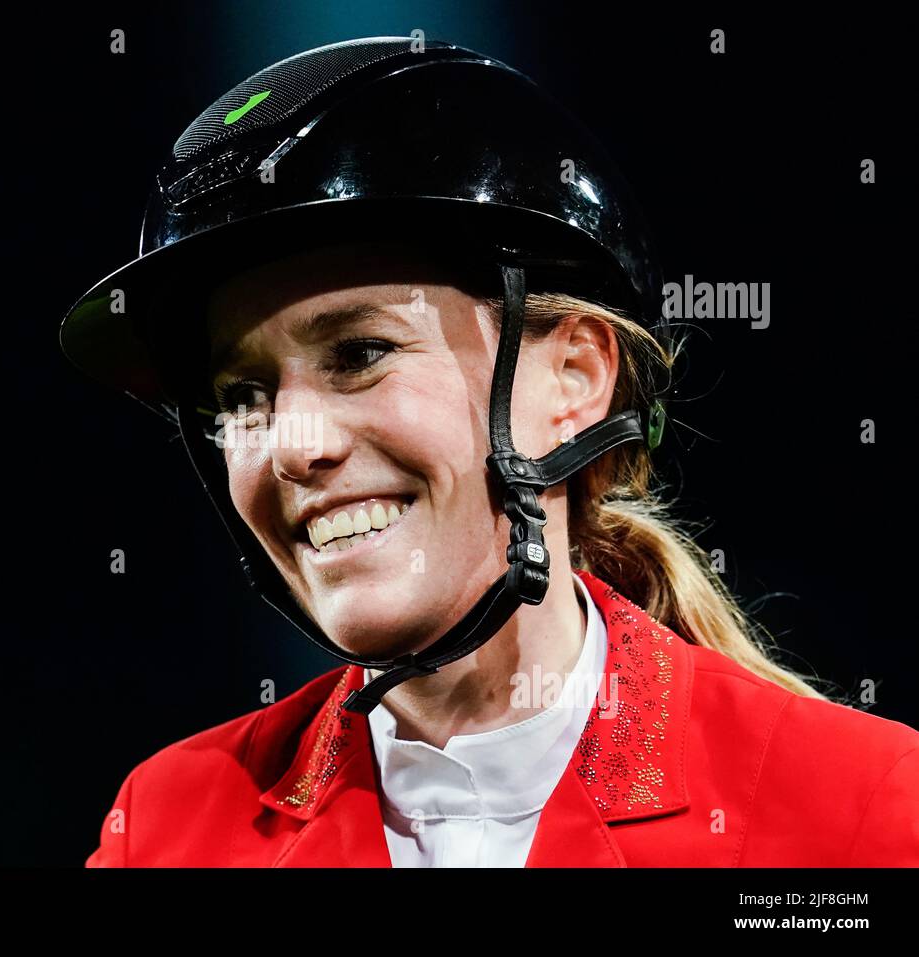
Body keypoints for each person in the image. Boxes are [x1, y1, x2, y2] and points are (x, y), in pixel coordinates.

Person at [60, 37, 919, 866]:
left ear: (573, 378)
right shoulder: (168, 829)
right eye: (242, 397)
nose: (295, 447)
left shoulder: (860, 808)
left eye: (360, 353)